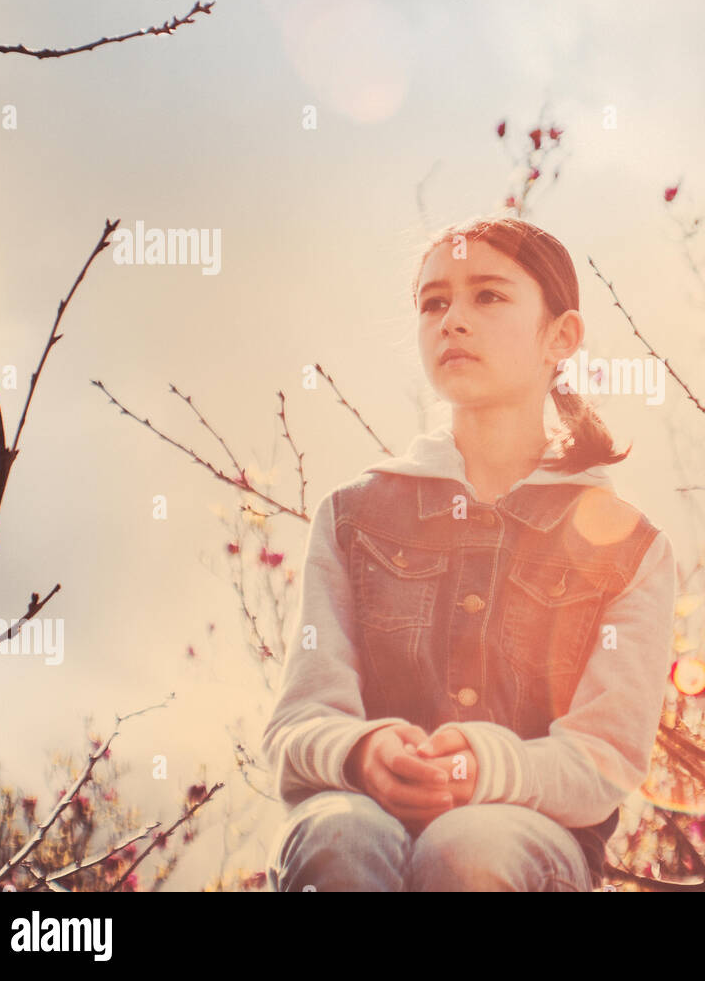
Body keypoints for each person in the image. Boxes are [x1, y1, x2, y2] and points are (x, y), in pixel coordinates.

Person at [262, 215, 677, 891]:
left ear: (560, 336)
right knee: (339, 833)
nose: (453, 319)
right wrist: (363, 753)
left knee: (470, 844)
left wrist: (483, 768)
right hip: (360, 817)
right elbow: (301, 719)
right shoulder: (351, 517)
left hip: (525, 842)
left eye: (488, 295)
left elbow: (605, 757)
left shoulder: (632, 551)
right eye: (434, 302)